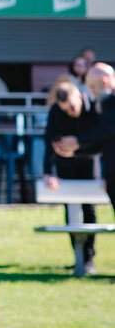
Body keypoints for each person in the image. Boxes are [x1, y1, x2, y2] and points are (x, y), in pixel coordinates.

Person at [42, 78, 100, 273]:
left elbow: (100, 137)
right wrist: (49, 172)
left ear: (79, 95)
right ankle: (78, 256)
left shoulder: (92, 108)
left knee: (89, 210)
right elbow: (48, 141)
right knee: (70, 209)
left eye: (73, 107)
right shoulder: (57, 111)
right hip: (65, 164)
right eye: (66, 109)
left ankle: (89, 256)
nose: (70, 112)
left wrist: (77, 143)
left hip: (87, 161)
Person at [54, 63, 115, 218]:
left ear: (105, 81)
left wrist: (78, 141)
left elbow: (106, 131)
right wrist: (75, 151)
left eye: (94, 87)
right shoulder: (105, 103)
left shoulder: (110, 102)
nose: (93, 93)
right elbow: (104, 142)